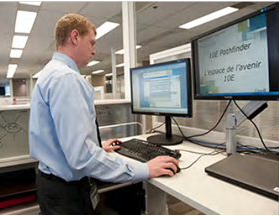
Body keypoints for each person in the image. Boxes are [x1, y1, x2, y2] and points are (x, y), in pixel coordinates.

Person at [29, 13, 179, 215]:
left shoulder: (52, 72)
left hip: (52, 182)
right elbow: (81, 157)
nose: (93, 51)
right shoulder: (66, 78)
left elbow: (60, 137)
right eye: (91, 43)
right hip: (65, 191)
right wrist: (145, 170)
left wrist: (97, 147)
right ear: (75, 37)